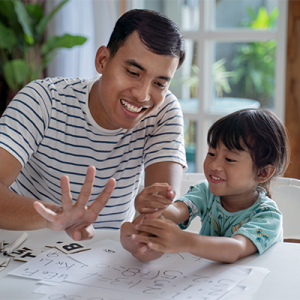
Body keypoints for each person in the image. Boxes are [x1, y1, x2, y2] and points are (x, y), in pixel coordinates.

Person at [0, 9, 187, 241]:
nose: (142, 95)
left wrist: (150, 225)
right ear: (102, 60)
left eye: (159, 83)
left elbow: (160, 217)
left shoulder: (163, 112)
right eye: (133, 72)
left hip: (106, 261)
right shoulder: (43, 100)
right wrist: (57, 216)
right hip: (25, 250)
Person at [121, 108, 290, 263]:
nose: (214, 165)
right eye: (211, 153)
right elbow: (177, 211)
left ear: (263, 173)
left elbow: (236, 248)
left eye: (229, 159)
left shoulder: (268, 216)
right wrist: (155, 205)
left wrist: (186, 241)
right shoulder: (206, 191)